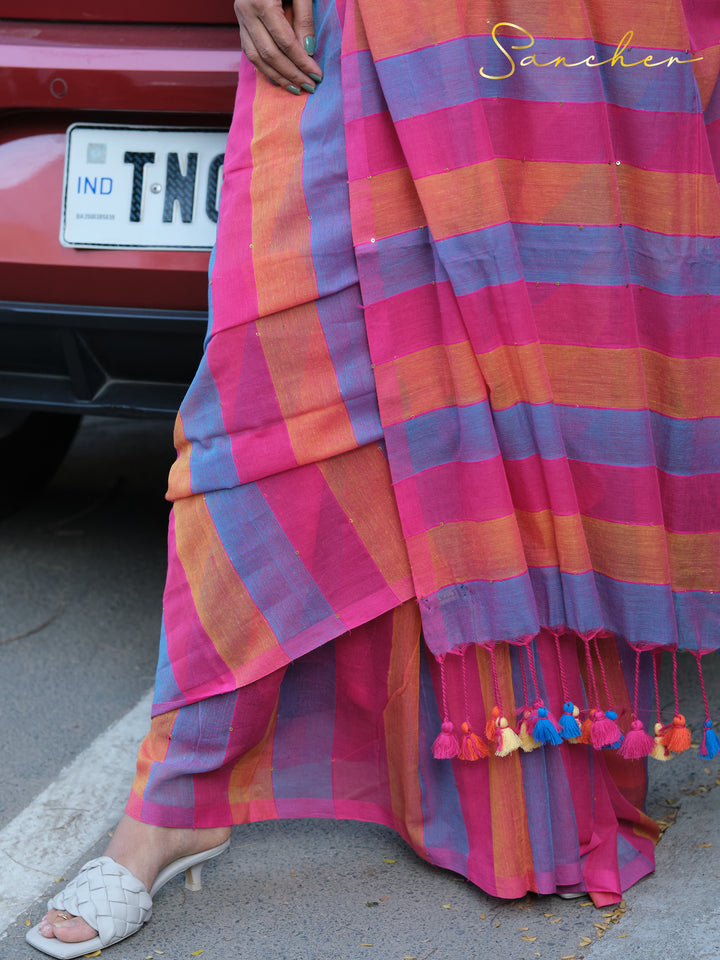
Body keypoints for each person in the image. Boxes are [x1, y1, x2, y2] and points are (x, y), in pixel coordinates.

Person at [27, 0, 720, 956]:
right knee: (262, 410)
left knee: (516, 396)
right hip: (352, 28)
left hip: (549, 31)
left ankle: (514, 786)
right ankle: (175, 796)